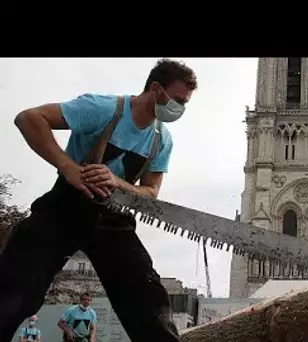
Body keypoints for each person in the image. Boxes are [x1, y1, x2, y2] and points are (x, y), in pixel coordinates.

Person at [0, 58, 198, 342]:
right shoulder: (103, 108)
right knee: (15, 292)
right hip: (65, 209)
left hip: (114, 221)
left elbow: (151, 192)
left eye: (185, 102)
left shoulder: (161, 140)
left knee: (147, 300)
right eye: (178, 99)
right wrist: (68, 168)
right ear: (156, 89)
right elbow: (29, 118)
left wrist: (117, 182)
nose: (180, 108)